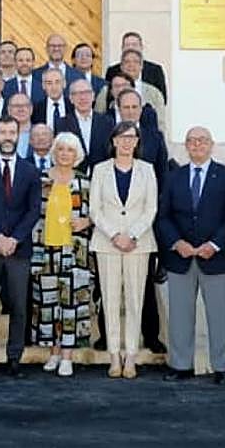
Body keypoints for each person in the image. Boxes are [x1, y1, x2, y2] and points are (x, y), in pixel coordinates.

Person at [155, 126, 225, 385]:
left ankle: (221, 367)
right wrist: (175, 242)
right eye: (192, 141)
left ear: (211, 144)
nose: (197, 145)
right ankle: (181, 365)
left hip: (215, 257)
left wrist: (215, 244)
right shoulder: (174, 177)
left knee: (219, 316)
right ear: (186, 146)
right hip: (180, 257)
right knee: (180, 315)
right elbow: (164, 216)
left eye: (202, 141)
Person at [0, 117, 42, 379]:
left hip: (19, 249)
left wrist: (15, 239)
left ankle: (15, 357)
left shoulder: (30, 170)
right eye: (3, 132)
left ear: (19, 134)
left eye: (12, 132)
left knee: (19, 306)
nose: (8, 137)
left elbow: (33, 209)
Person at [89, 121, 158, 379]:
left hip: (138, 244)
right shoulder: (100, 170)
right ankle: (113, 356)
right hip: (107, 242)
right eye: (122, 137)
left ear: (137, 141)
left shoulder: (147, 170)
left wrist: (132, 235)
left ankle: (131, 356)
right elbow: (94, 209)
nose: (127, 142)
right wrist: (115, 235)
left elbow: (150, 208)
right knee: (109, 299)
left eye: (132, 137)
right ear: (114, 141)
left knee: (134, 299)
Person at [32, 132, 94, 377]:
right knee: (48, 305)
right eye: (60, 149)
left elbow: (96, 213)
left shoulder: (84, 182)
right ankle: (54, 352)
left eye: (70, 150)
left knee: (71, 305)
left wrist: (87, 221)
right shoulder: (41, 180)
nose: (65, 154)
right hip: (45, 251)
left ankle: (67, 355)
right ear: (54, 152)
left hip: (74, 252)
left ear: (76, 154)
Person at [116, 88, 169, 355]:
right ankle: (107, 336)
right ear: (118, 108)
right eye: (125, 107)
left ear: (141, 109)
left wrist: (154, 216)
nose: (130, 111)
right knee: (110, 286)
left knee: (146, 282)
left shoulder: (154, 138)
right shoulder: (109, 134)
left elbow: (162, 177)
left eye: (134, 107)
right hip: (113, 223)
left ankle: (151, 335)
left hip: (144, 222)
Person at [55, 78, 115, 172]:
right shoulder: (61, 123)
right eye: (77, 94)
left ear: (93, 96)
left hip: (102, 175)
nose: (82, 98)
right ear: (71, 99)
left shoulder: (107, 122)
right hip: (73, 177)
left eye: (86, 93)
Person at [98, 49, 166, 119]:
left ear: (141, 66)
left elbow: (160, 124)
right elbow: (99, 117)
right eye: (127, 62)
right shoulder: (105, 91)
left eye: (136, 62)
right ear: (121, 66)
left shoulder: (154, 93)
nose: (131, 65)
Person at [104, 31, 168, 103]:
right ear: (122, 48)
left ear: (141, 47)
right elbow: (107, 98)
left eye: (134, 45)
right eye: (127, 45)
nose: (131, 48)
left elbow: (162, 99)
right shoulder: (112, 71)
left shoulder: (155, 71)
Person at [3, 93, 34, 158]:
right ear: (9, 110)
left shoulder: (42, 133)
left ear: (31, 109)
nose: (21, 109)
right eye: (16, 106)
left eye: (25, 105)